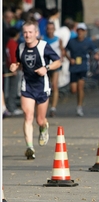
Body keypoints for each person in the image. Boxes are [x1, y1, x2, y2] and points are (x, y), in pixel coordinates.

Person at [9, 20, 61, 160]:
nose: (27, 35)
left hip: (42, 86)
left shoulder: (44, 46)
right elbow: (18, 62)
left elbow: (58, 61)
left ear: (36, 33)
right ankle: (30, 148)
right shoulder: (20, 47)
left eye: (30, 32)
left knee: (39, 120)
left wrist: (47, 68)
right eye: (25, 32)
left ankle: (44, 127)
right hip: (27, 86)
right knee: (28, 116)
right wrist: (14, 66)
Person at [64, 22, 99, 117]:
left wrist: (97, 55)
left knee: (80, 87)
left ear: (85, 32)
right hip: (73, 67)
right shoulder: (72, 41)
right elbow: (64, 50)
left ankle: (79, 107)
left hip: (83, 66)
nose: (80, 32)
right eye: (79, 30)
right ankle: (78, 102)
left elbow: (96, 50)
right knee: (73, 89)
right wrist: (69, 59)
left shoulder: (88, 41)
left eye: (82, 30)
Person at [42, 21, 64, 117]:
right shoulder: (42, 39)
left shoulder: (58, 39)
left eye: (52, 28)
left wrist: (61, 58)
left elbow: (62, 50)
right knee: (45, 86)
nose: (50, 31)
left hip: (54, 65)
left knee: (54, 85)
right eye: (48, 29)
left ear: (54, 29)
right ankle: (44, 106)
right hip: (45, 66)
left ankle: (53, 108)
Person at [5, 27, 23, 116]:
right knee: (13, 89)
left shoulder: (9, 43)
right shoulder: (13, 44)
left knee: (12, 88)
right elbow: (13, 56)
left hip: (11, 67)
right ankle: (12, 107)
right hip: (14, 69)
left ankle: (11, 106)